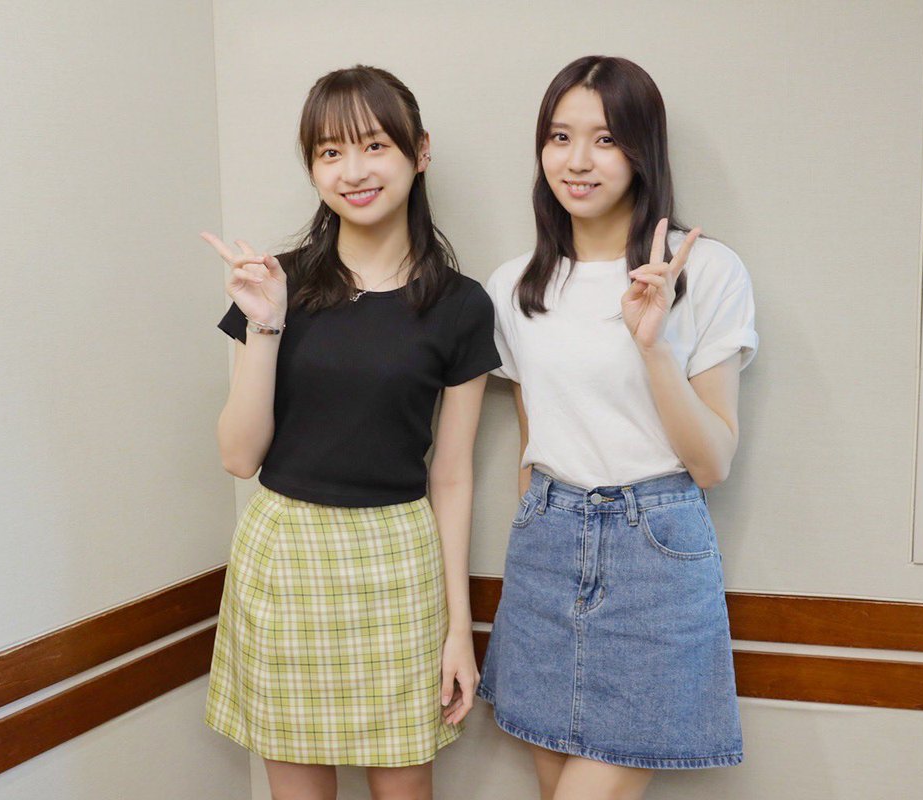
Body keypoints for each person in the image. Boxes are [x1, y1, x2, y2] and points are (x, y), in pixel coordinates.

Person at [200, 65, 501, 800]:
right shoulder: (276, 283)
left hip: (399, 557)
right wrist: (266, 324)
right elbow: (238, 456)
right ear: (312, 168)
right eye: (330, 152)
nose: (354, 171)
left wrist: (458, 631)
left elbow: (452, 476)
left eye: (374, 145)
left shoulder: (460, 305)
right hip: (286, 553)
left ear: (419, 152)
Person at [476, 55, 759, 800]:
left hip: (656, 551)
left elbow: (713, 463)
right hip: (544, 548)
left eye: (604, 139)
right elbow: (535, 442)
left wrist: (653, 345)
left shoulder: (706, 271)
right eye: (559, 136)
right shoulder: (516, 286)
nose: (577, 161)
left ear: (641, 150)